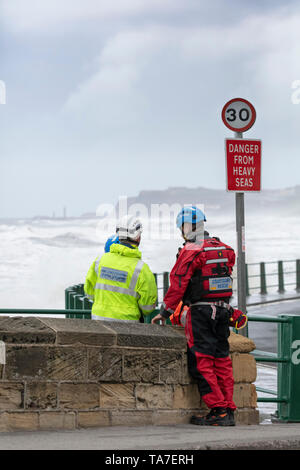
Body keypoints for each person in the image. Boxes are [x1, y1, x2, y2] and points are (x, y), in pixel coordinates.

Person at [152, 206, 246, 426]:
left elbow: (178, 284)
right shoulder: (225, 248)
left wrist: (164, 312)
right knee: (222, 361)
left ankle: (218, 410)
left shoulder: (191, 251)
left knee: (202, 362)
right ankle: (229, 409)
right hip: (223, 311)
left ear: (186, 227)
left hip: (201, 313)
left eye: (181, 228)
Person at [84, 215, 157, 322]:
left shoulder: (100, 261)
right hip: (128, 325)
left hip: (98, 322)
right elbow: (147, 307)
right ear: (138, 237)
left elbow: (89, 292)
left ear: (118, 235)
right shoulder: (141, 269)